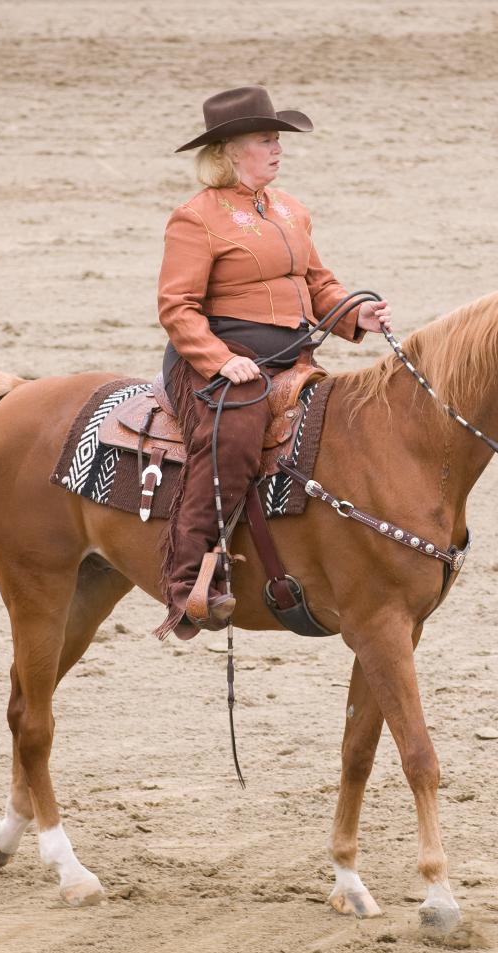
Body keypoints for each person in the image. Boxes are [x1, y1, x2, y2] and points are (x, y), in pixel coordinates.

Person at [154, 85, 391, 641]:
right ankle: (190, 576)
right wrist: (219, 361)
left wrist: (358, 316)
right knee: (233, 430)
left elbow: (317, 282)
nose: (278, 148)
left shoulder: (290, 209)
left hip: (290, 352)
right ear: (231, 151)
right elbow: (177, 306)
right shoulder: (196, 218)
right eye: (266, 139)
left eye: (277, 139)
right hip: (219, 354)